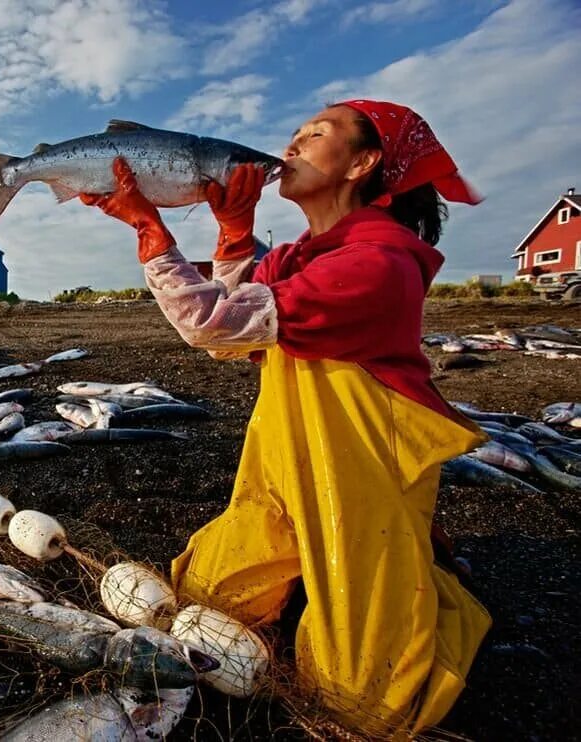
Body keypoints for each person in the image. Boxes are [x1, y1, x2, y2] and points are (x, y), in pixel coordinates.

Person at [79, 100, 491, 736]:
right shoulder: (297, 256)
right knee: (207, 599)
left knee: (366, 696)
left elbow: (207, 322)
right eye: (293, 135)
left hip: (359, 479)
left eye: (315, 135)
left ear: (363, 162)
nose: (291, 147)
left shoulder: (379, 262)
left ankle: (422, 570)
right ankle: (335, 562)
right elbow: (234, 333)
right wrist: (234, 228)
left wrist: (149, 230)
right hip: (284, 466)